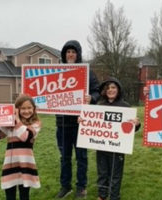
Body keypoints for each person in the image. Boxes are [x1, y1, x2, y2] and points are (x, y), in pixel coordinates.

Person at [55, 40, 100, 199]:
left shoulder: (87, 72)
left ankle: (81, 187)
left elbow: (97, 91)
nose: (70, 54)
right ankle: (65, 186)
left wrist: (92, 98)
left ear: (78, 54)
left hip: (80, 123)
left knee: (82, 157)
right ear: (64, 54)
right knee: (64, 157)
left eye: (73, 52)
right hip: (62, 123)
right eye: (68, 52)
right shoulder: (56, 72)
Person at [0, 94, 42, 200]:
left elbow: (24, 136)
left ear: (34, 109)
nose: (26, 111)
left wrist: (15, 119)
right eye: (23, 108)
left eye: (29, 108)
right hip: (10, 164)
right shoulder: (11, 123)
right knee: (9, 196)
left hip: (26, 163)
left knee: (24, 196)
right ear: (17, 109)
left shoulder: (35, 124)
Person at [95, 77, 140, 200]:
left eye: (113, 87)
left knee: (115, 174)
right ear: (104, 90)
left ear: (118, 89)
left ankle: (114, 196)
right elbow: (92, 124)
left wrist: (136, 124)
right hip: (101, 146)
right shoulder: (99, 105)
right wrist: (83, 121)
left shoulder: (125, 106)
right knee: (102, 173)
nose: (110, 90)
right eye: (108, 88)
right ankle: (102, 195)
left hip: (117, 148)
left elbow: (131, 129)